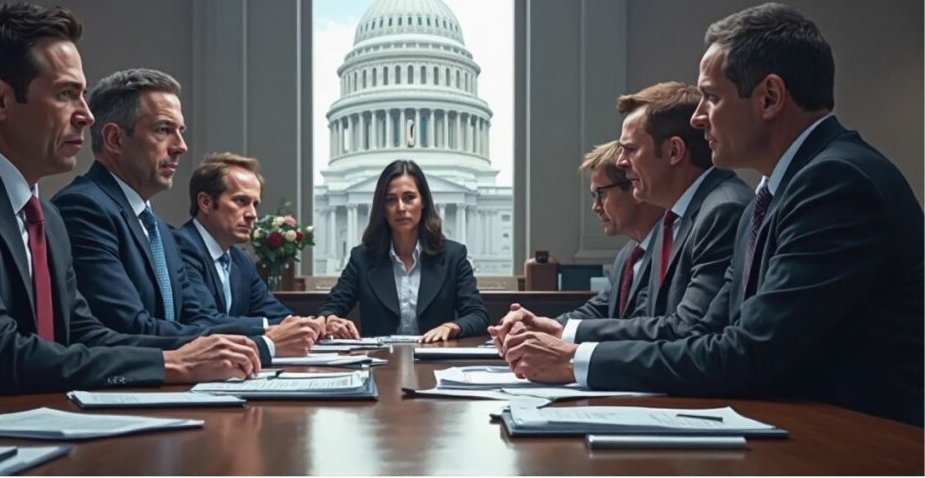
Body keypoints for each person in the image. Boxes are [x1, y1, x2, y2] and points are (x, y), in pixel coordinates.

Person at [504, 2, 924, 426]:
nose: (698, 118)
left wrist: (577, 360)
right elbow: (705, 335)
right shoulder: (769, 196)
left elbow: (751, 353)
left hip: (864, 448)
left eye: (711, 97)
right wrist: (575, 354)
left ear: (770, 98)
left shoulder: (835, 182)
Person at [0, 3, 262, 412]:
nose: (87, 116)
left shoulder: (47, 216)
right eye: (65, 94)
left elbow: (85, 333)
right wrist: (168, 363)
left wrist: (204, 351)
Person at [52, 68, 317, 359]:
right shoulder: (84, 208)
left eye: (181, 131)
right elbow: (130, 328)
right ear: (115, 139)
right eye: (164, 130)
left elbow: (194, 318)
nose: (181, 147)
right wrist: (265, 342)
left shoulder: (160, 229)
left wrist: (275, 333)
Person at [493, 82, 752, 348]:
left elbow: (688, 330)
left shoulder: (722, 210)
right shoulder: (673, 222)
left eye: (630, 149)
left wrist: (571, 354)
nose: (621, 161)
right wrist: (552, 328)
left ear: (674, 151)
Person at [489, 141, 664, 341]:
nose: (595, 207)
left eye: (600, 194)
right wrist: (540, 325)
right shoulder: (628, 254)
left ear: (635, 186)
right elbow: (599, 309)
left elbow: (645, 330)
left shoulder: (670, 248)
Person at [317, 160, 489, 340]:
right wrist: (331, 320)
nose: (401, 208)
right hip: (380, 361)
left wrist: (451, 327)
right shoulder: (362, 258)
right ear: (382, 207)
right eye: (391, 200)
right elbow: (330, 307)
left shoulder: (453, 256)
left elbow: (478, 315)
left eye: (409, 198)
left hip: (435, 361)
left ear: (423, 201)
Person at [174, 153, 292, 327]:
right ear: (205, 202)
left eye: (255, 204)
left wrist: (315, 326)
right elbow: (204, 319)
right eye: (240, 201)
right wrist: (268, 328)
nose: (253, 215)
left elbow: (275, 313)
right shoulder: (180, 247)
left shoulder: (241, 260)